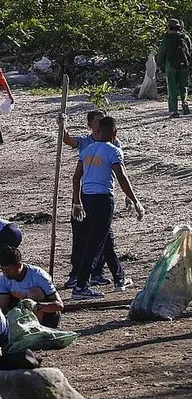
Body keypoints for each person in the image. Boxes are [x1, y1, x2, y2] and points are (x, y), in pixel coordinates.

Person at [71, 116, 143, 298]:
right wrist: (134, 200)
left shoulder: (87, 150)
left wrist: (77, 201)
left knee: (104, 238)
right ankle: (81, 286)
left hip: (87, 199)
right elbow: (121, 177)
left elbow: (76, 176)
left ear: (99, 131)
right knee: (95, 243)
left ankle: (119, 278)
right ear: (114, 133)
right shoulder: (114, 151)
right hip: (103, 200)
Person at [62, 109, 122, 288]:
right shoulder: (85, 143)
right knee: (82, 236)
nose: (100, 124)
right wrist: (62, 125)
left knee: (104, 238)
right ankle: (78, 276)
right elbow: (68, 141)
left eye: (102, 121)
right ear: (90, 124)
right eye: (97, 121)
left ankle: (98, 273)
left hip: (103, 196)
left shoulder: (114, 144)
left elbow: (119, 172)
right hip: (85, 196)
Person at [0, 247, 64, 328]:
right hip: (20, 316)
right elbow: (2, 307)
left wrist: (37, 306)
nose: (5, 273)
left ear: (18, 265)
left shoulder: (38, 276)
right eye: (2, 270)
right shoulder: (4, 279)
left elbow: (59, 305)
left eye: (8, 270)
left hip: (48, 318)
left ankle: (35, 329)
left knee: (34, 292)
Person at [156, 18, 191, 118]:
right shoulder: (185, 37)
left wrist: (160, 65)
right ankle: (184, 102)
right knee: (184, 86)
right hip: (184, 64)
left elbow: (161, 53)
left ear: (169, 27)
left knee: (172, 87)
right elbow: (190, 51)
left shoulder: (167, 39)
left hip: (171, 66)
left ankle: (174, 111)